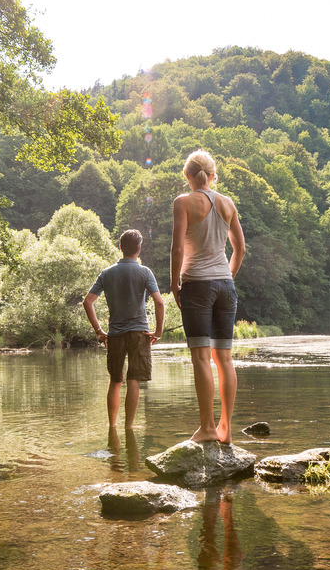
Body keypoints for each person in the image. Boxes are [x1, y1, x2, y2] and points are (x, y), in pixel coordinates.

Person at [171, 149, 247, 443]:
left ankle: (207, 428)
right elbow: (239, 249)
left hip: (197, 285)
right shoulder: (228, 204)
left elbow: (178, 249)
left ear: (188, 176)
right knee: (224, 359)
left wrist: (174, 284)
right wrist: (227, 277)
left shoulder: (183, 202)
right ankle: (226, 430)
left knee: (201, 358)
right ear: (212, 175)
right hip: (225, 285)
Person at [83, 229, 165, 435]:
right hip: (139, 334)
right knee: (133, 380)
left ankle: (112, 427)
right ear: (139, 249)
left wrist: (99, 331)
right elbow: (159, 302)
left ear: (120, 247)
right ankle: (129, 427)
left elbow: (88, 302)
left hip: (115, 335)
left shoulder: (107, 273)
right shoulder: (145, 272)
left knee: (115, 381)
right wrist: (158, 331)